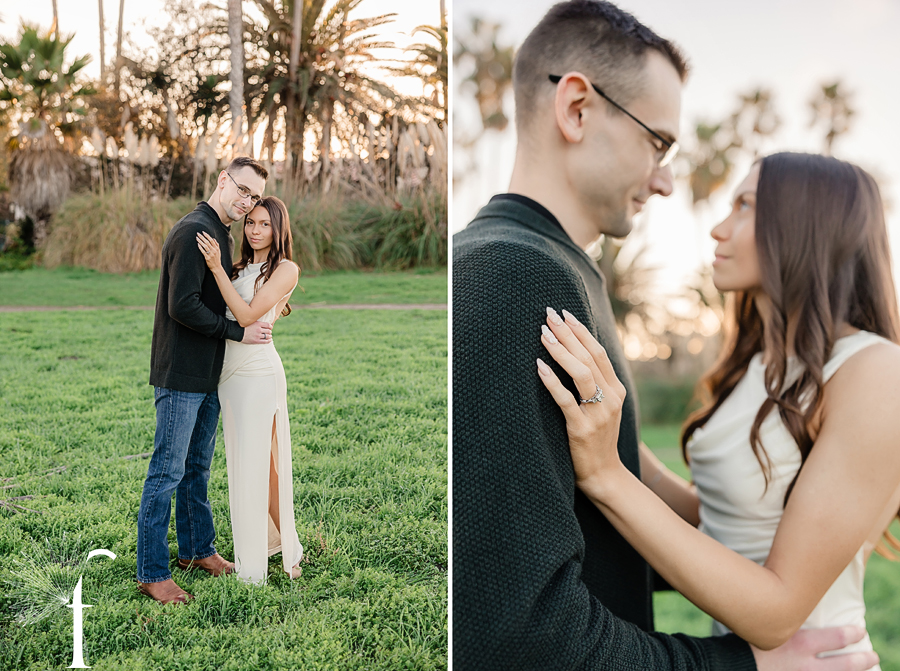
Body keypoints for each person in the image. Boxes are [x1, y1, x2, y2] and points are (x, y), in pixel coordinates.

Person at [452, 1, 879, 669]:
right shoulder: (517, 272)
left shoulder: (560, 271)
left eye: (745, 204)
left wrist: (611, 466)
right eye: (658, 141)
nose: (668, 179)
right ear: (576, 109)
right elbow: (519, 627)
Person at [536, 153, 900, 666]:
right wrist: (606, 432)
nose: (717, 229)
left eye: (745, 206)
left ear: (805, 226)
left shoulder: (876, 371)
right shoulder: (756, 365)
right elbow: (722, 519)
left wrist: (607, 475)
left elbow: (777, 613)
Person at [138, 156, 272, 604]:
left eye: (253, 196)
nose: (245, 201)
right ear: (222, 180)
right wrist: (238, 331)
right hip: (180, 373)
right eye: (242, 190)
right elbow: (183, 305)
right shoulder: (193, 231)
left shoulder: (220, 233)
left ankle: (198, 550)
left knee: (196, 468)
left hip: (208, 372)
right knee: (167, 472)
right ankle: (152, 571)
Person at [196, 195, 304, 583]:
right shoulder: (240, 267)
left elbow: (245, 315)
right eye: (251, 223)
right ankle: (284, 545)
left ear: (278, 229)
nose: (256, 231)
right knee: (248, 466)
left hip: (259, 374)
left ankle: (279, 553)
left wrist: (214, 267)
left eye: (265, 224)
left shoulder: (285, 270)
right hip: (229, 376)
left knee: (267, 466)